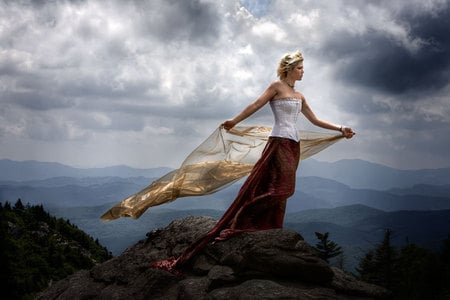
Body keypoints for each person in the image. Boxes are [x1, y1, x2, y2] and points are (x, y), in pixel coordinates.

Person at [151, 50, 355, 271]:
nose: (303, 71)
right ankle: (241, 219)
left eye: (303, 68)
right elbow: (255, 105)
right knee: (284, 189)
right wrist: (234, 121)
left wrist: (341, 128)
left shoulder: (300, 96)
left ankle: (268, 225)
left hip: (292, 144)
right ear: (289, 69)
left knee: (276, 188)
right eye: (300, 68)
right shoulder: (276, 87)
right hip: (278, 142)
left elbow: (314, 120)